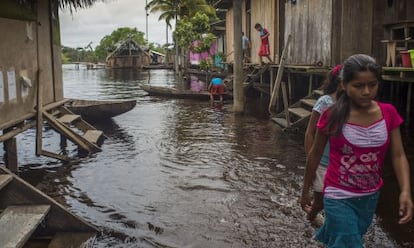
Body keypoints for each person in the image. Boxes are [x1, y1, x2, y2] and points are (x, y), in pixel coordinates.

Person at [301, 54, 413, 247]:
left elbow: (398, 155)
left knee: (349, 237)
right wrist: (305, 190)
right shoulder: (332, 115)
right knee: (349, 240)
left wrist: (405, 190)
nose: (367, 92)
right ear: (344, 84)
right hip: (337, 194)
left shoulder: (388, 113)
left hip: (369, 196)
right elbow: (315, 154)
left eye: (372, 85)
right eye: (358, 86)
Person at [303, 64, 342, 225]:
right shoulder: (325, 101)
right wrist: (311, 159)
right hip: (322, 161)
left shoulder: (353, 104)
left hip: (339, 163)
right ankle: (311, 217)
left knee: (336, 200)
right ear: (340, 82)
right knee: (320, 202)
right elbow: (310, 132)